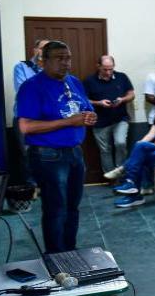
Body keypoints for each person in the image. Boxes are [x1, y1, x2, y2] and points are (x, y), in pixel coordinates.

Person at [16, 40, 96, 252]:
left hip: (74, 153)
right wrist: (69, 122)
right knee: (56, 209)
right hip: (48, 156)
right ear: (44, 61)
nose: (65, 63)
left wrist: (89, 117)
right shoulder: (32, 87)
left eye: (68, 58)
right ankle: (55, 256)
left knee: (72, 207)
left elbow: (84, 109)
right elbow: (25, 127)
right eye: (59, 58)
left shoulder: (74, 82)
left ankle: (70, 251)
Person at [83, 55, 134, 177]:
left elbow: (131, 94)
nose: (108, 72)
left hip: (120, 118)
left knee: (120, 143)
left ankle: (120, 173)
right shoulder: (89, 81)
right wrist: (98, 103)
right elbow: (83, 99)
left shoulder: (122, 77)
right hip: (99, 121)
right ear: (98, 66)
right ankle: (110, 176)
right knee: (105, 150)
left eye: (110, 69)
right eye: (105, 69)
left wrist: (122, 99)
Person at [12, 37, 48, 185]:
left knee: (46, 152)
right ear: (35, 50)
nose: (44, 51)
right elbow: (23, 91)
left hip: (46, 119)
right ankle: (31, 186)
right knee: (26, 152)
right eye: (42, 48)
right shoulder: (21, 67)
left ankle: (45, 184)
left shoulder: (53, 69)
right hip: (25, 118)